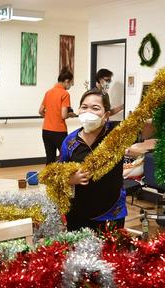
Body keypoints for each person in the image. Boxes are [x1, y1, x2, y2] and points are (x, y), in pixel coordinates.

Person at [59, 89, 127, 231]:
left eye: (95, 108)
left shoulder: (118, 134)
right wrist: (70, 179)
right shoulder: (70, 141)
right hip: (77, 213)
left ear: (106, 114)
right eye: (84, 107)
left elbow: (148, 125)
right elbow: (58, 173)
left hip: (111, 213)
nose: (88, 112)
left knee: (111, 252)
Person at [39, 68, 77, 164]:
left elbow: (40, 111)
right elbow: (64, 115)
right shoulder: (65, 94)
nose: (70, 86)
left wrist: (50, 116)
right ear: (66, 81)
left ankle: (48, 179)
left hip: (46, 130)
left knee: (50, 159)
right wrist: (70, 114)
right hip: (59, 131)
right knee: (66, 157)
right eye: (71, 83)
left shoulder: (48, 92)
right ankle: (65, 179)